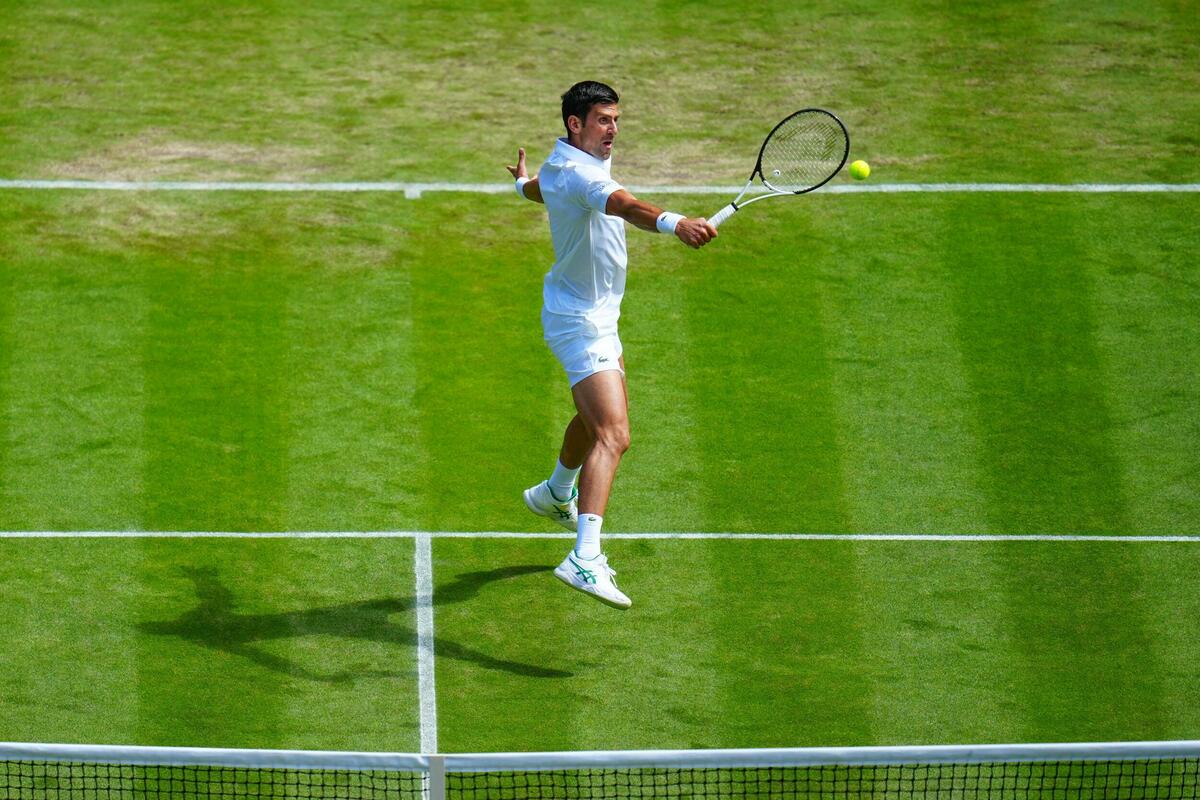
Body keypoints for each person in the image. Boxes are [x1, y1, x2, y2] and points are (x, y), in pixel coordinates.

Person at [506, 80, 716, 610]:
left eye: (616, 120)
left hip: (593, 313)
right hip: (582, 322)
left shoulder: (559, 167)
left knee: (596, 417)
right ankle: (584, 558)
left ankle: (556, 492)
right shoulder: (581, 175)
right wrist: (675, 223)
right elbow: (624, 204)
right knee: (614, 434)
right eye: (604, 120)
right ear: (575, 124)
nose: (613, 130)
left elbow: (539, 191)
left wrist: (521, 183)